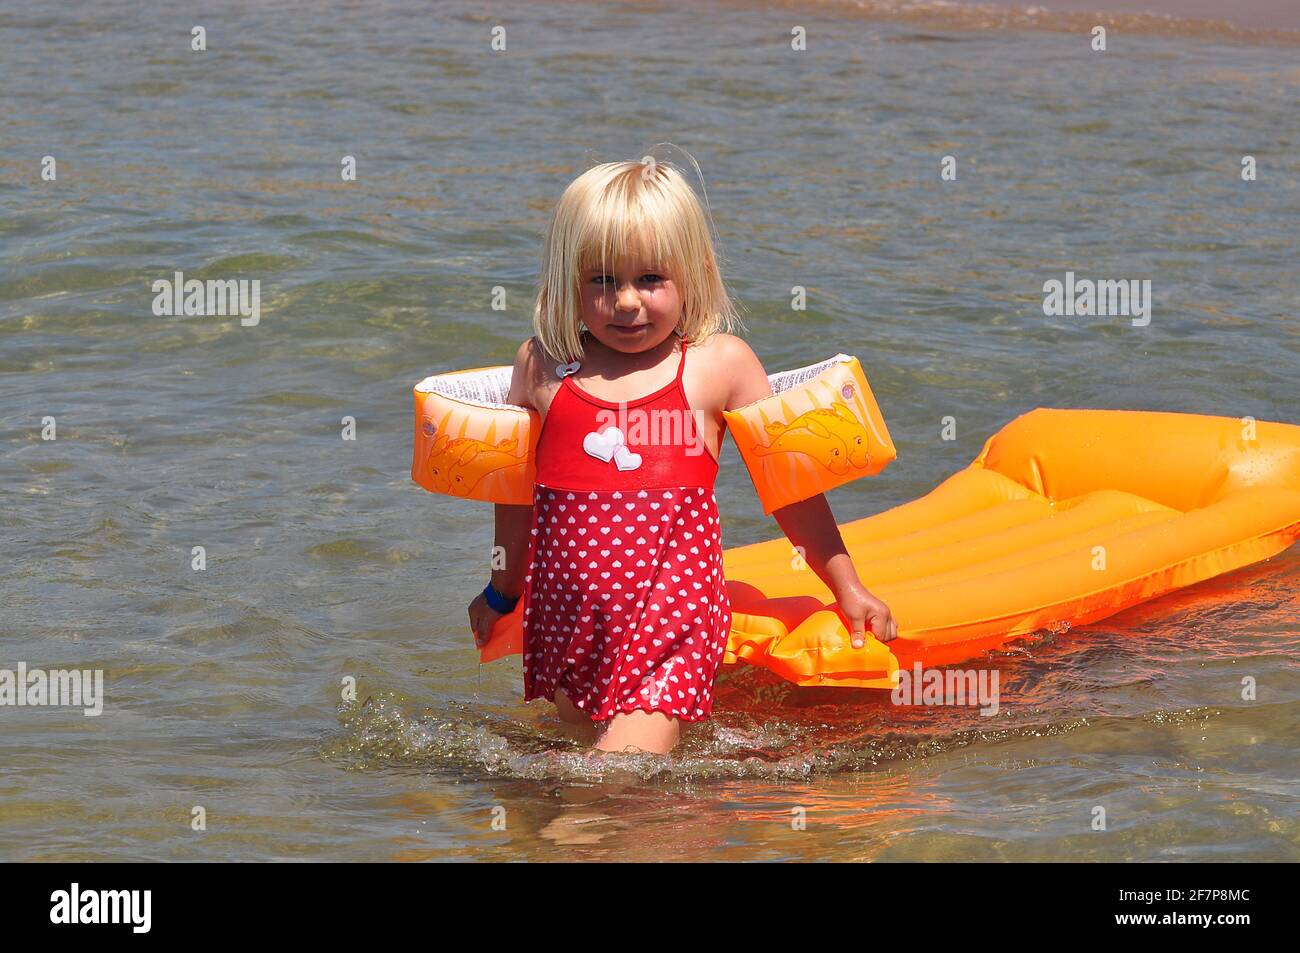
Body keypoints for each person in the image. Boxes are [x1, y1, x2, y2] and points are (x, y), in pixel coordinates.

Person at [468, 158, 896, 756]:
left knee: (607, 780)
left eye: (649, 279)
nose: (624, 302)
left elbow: (790, 487)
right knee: (583, 785)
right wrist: (501, 592)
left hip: (672, 616)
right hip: (567, 617)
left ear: (694, 273)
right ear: (569, 280)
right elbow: (515, 495)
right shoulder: (542, 366)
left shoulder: (717, 365)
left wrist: (847, 586)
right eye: (600, 280)